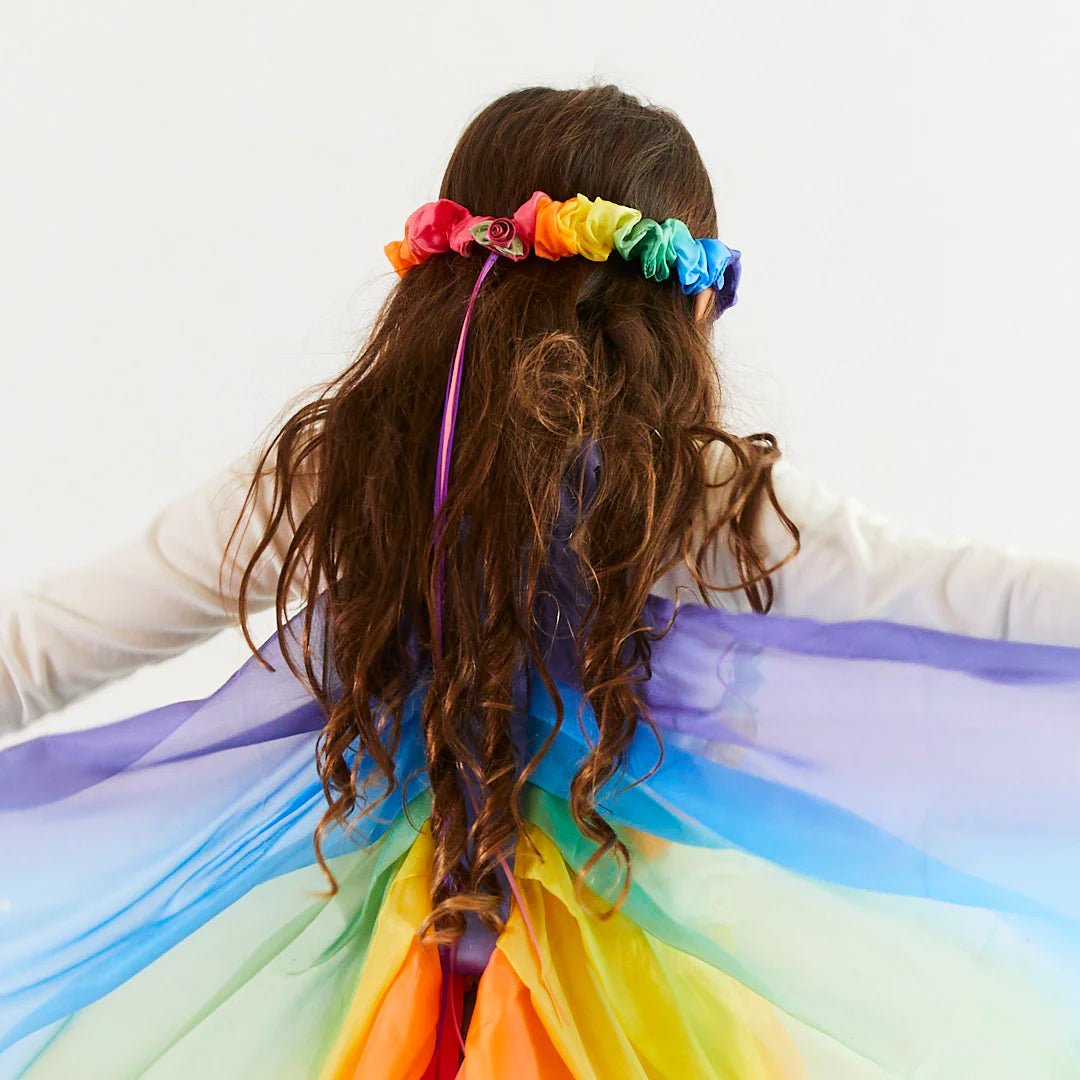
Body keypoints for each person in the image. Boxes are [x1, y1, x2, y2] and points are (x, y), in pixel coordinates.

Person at [2, 84, 1079, 1079]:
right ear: (687, 312)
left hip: (392, 995)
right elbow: (988, 604)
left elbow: (40, 649)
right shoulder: (696, 496)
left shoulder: (348, 469)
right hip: (626, 1013)